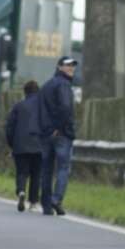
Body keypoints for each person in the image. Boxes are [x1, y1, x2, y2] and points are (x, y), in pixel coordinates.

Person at [30, 56, 77, 216]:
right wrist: (61, 128)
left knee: (47, 169)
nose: (71, 68)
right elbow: (65, 107)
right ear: (59, 67)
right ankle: (56, 199)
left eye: (73, 65)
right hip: (61, 134)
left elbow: (39, 111)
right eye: (68, 65)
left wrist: (45, 130)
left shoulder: (46, 85)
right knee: (63, 167)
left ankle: (46, 205)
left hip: (46, 134)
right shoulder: (63, 84)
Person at [6, 80, 42, 213]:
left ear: (25, 92)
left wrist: (12, 144)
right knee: (36, 175)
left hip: (21, 146)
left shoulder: (18, 106)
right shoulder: (43, 107)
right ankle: (33, 203)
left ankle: (21, 191)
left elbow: (10, 127)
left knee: (22, 172)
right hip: (39, 145)